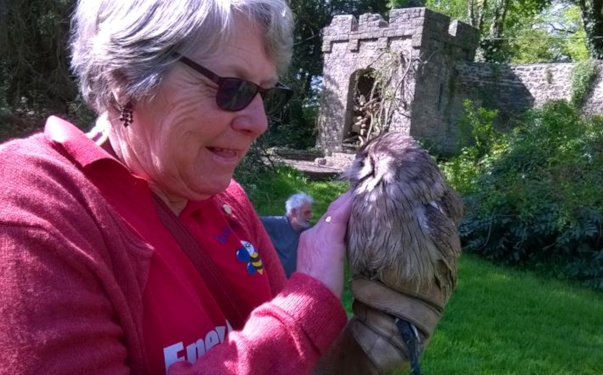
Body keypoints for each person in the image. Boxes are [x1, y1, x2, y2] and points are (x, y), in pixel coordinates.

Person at [0, 0, 351, 373]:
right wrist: (309, 304)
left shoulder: (229, 201)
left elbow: (301, 364)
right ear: (124, 78)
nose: (259, 122)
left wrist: (370, 347)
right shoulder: (33, 209)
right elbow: (291, 332)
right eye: (233, 89)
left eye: (263, 93)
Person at [260, 192, 313, 277]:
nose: (311, 216)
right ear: (293, 212)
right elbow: (250, 221)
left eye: (310, 212)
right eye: (307, 213)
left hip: (297, 283)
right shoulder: (274, 224)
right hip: (275, 282)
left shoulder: (308, 232)